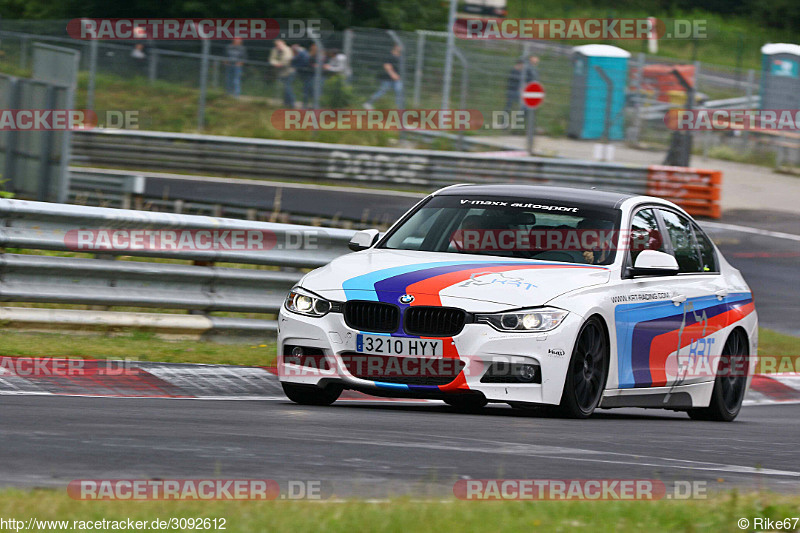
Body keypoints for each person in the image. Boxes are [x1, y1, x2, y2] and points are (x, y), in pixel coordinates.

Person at [364, 44, 403, 110]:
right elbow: (386, 66)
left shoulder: (401, 57)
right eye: (399, 46)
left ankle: (400, 109)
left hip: (397, 79)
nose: (401, 48)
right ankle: (368, 103)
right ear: (395, 46)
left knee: (399, 91)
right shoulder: (389, 55)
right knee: (382, 91)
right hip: (387, 78)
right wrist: (393, 74)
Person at [269, 39, 295, 107]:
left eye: (279, 45)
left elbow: (287, 60)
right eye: (277, 45)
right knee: (285, 88)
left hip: (289, 72)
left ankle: (292, 103)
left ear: (283, 44)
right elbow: (271, 59)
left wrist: (280, 63)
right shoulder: (275, 50)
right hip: (281, 72)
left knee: (287, 87)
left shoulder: (287, 50)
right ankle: (286, 102)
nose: (278, 46)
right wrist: (276, 63)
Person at [292, 43, 314, 109]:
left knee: (307, 90)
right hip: (306, 74)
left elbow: (294, 60)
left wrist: (295, 65)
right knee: (308, 90)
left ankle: (307, 105)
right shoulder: (304, 53)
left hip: (307, 74)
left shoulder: (301, 53)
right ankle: (310, 104)